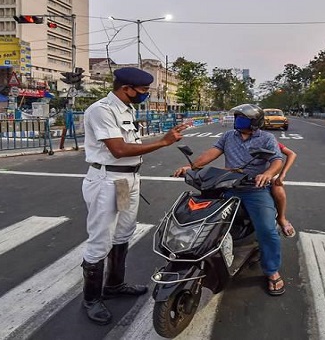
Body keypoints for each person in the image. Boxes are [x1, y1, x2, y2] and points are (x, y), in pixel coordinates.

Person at [80, 67, 187, 325]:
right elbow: (117, 149)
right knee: (100, 239)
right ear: (125, 88)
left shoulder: (127, 109)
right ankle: (91, 298)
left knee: (123, 232)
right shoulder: (101, 110)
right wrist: (163, 142)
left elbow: (130, 145)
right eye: (142, 91)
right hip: (107, 180)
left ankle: (114, 285)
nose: (145, 95)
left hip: (126, 181)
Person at [173, 104, 287, 296]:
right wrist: (191, 167)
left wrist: (267, 174)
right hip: (226, 185)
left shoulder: (266, 138)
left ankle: (272, 271)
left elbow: (277, 160)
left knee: (267, 230)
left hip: (253, 189)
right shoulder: (228, 136)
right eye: (237, 118)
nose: (237, 121)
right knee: (202, 217)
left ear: (254, 122)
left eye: (242, 118)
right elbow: (212, 153)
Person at [272, 142, 297, 238]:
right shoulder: (232, 138)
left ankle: (281, 218)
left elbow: (292, 154)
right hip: (243, 173)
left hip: (269, 174)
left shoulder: (267, 139)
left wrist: (282, 174)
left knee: (278, 188)